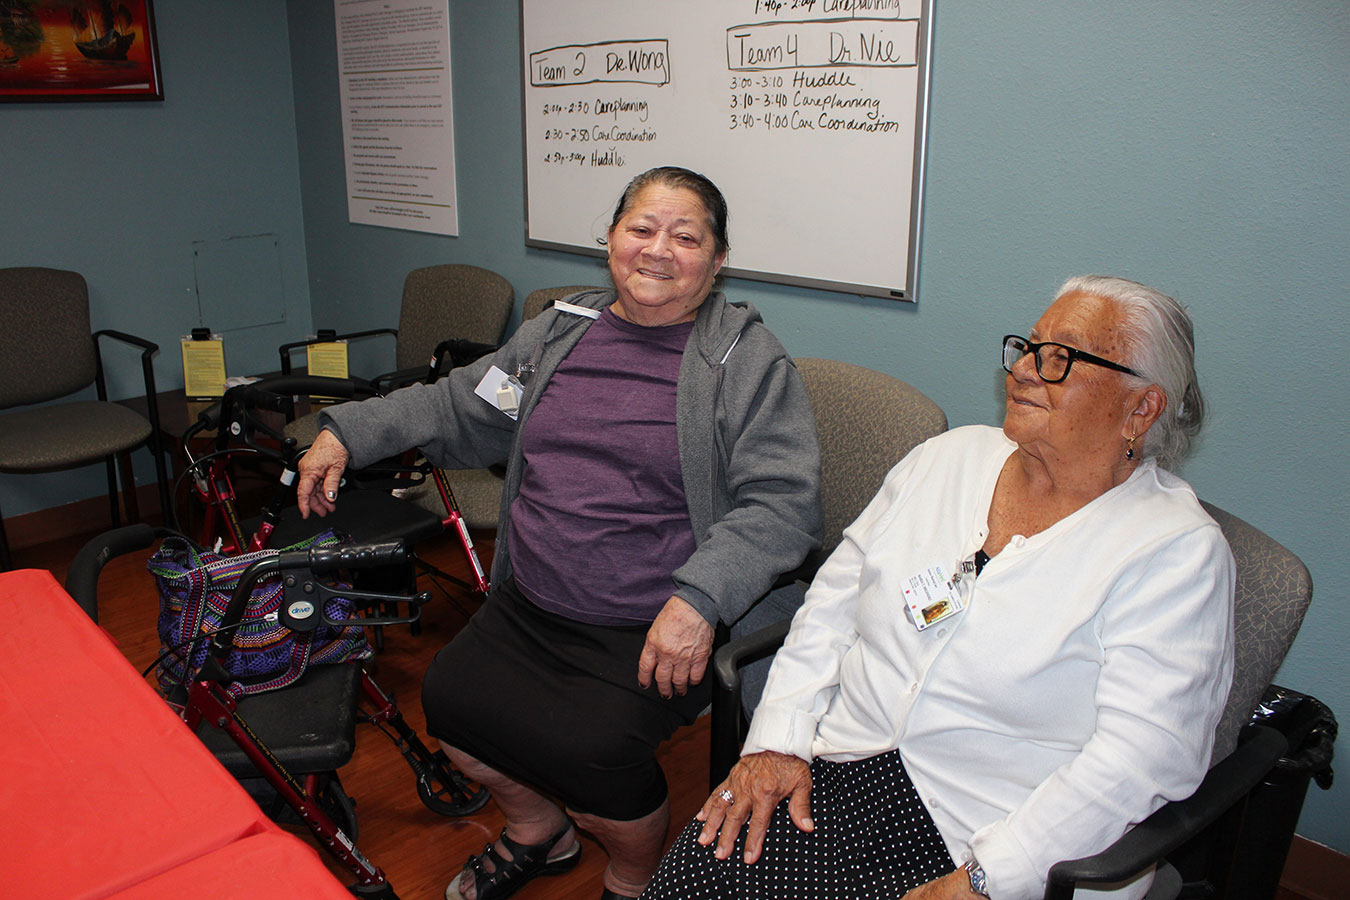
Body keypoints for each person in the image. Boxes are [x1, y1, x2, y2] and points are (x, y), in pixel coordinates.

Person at [295, 166, 822, 900]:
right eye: (641, 228)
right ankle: (539, 830)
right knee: (451, 704)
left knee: (595, 753)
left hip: (655, 619)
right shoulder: (562, 329)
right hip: (534, 596)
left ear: (718, 260)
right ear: (610, 239)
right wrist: (345, 434)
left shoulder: (743, 361)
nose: (658, 250)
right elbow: (463, 404)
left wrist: (700, 599)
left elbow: (782, 503)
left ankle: (634, 877)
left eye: (685, 236)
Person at [643, 275, 1236, 900]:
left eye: (1062, 358)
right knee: (694, 875)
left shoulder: (1174, 553)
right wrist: (777, 742)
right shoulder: (947, 460)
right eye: (1029, 347)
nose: (1027, 370)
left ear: (1141, 408)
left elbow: (1140, 759)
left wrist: (987, 878)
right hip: (838, 767)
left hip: (990, 834)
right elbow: (832, 604)